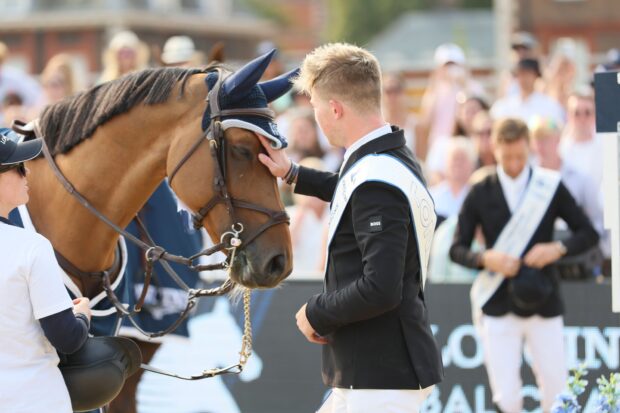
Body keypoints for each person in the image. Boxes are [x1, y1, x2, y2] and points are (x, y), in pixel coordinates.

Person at [257, 42, 443, 413]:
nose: (316, 117)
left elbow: (381, 287)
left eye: (315, 107)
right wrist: (293, 173)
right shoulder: (389, 158)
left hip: (380, 377)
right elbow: (352, 189)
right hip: (374, 373)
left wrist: (317, 313)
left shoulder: (376, 178)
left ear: (335, 109)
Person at [449, 118, 599, 413]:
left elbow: (588, 233)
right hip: (498, 302)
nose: (515, 164)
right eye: (507, 158)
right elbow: (457, 248)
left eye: (520, 156)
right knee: (506, 396)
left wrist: (557, 248)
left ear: (529, 149)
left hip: (544, 298)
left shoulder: (549, 185)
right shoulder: (481, 190)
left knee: (557, 388)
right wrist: (484, 258)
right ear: (495, 150)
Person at [0, 128, 91, 412]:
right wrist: (82, 316)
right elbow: (67, 338)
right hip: (33, 399)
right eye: (18, 168)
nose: (27, 174)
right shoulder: (31, 246)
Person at [491, 58, 564, 125]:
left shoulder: (550, 105)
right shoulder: (503, 106)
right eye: (520, 74)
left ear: (536, 75)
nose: (523, 78)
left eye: (527, 74)